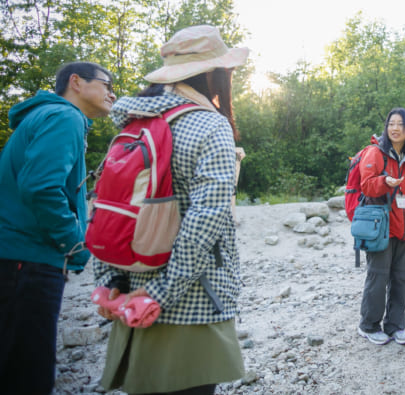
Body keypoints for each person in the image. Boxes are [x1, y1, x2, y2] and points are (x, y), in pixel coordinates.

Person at [93, 25, 247, 395]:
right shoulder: (210, 125)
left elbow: (108, 205)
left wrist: (112, 283)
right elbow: (206, 218)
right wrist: (161, 293)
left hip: (130, 291)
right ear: (211, 73)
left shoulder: (133, 123)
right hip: (192, 300)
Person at [0, 61, 116, 395]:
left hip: (18, 261)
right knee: (28, 373)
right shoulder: (64, 117)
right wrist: (76, 245)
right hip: (28, 262)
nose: (112, 93)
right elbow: (41, 188)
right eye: (106, 84)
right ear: (76, 83)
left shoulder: (46, 116)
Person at [357, 107, 405, 346]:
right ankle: (368, 325)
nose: (395, 129)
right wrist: (384, 181)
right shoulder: (375, 153)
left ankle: (395, 326)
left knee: (401, 279)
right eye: (391, 124)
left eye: (401, 125)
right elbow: (366, 185)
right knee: (378, 278)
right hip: (381, 228)